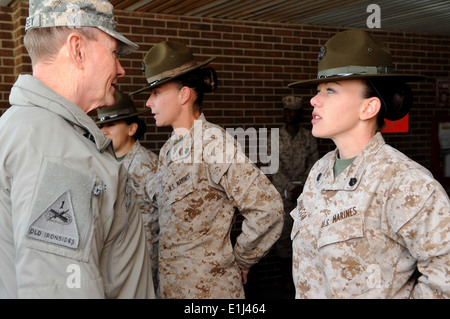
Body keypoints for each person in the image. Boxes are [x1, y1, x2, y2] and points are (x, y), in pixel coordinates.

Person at [0, 0, 154, 298]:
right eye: (113, 53)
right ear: (78, 49)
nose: (121, 69)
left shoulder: (20, 127)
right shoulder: (59, 151)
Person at [288, 29, 450, 298]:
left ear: (368, 108)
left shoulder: (404, 181)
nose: (314, 100)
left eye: (330, 90)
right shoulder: (320, 170)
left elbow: (445, 274)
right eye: (318, 90)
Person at [132, 40, 284, 299]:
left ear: (184, 95)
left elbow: (267, 208)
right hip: (172, 287)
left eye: (156, 93)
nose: (148, 103)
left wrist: (242, 259)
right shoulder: (170, 149)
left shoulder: (213, 143)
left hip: (210, 292)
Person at [96, 89, 160, 294]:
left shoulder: (148, 165)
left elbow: (168, 217)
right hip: (116, 263)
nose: (104, 130)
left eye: (111, 124)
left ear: (132, 128)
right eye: (102, 125)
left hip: (145, 263)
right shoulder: (106, 163)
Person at [269, 95, 319, 293]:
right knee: (283, 239)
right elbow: (273, 168)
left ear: (299, 114)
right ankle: (286, 281)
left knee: (306, 236)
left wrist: (302, 188)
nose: (289, 115)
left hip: (305, 195)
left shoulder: (308, 136)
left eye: (293, 112)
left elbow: (315, 164)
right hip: (283, 196)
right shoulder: (275, 137)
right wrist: (290, 188)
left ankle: (304, 278)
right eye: (286, 111)